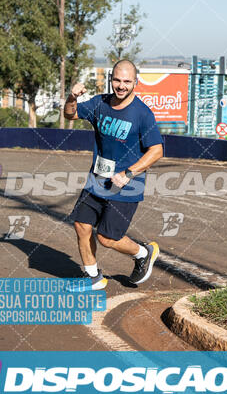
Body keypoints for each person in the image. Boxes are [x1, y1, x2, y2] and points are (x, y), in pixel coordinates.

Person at [64, 59, 163, 290]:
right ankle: (92, 277)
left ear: (135, 83)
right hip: (97, 179)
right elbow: (70, 115)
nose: (121, 85)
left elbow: (157, 150)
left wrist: (128, 173)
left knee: (107, 238)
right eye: (117, 80)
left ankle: (143, 252)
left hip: (127, 186)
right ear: (111, 80)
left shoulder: (142, 114)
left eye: (127, 81)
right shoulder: (100, 103)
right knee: (81, 224)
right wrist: (72, 98)